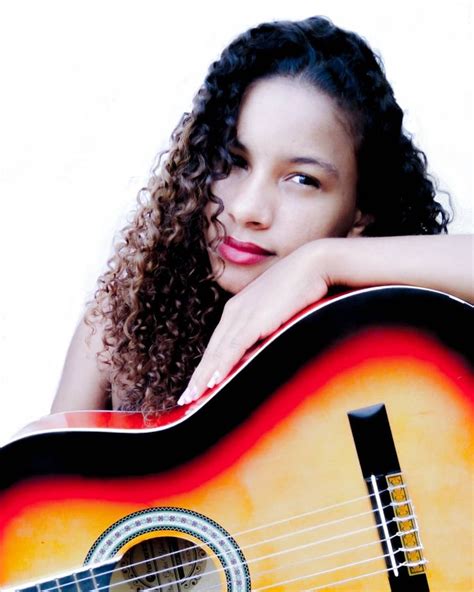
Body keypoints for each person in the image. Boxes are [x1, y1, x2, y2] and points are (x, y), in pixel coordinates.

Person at [51, 15, 473, 416]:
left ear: (361, 212)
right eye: (231, 160)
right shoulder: (122, 323)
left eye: (302, 180)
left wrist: (321, 263)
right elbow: (43, 490)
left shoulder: (394, 333)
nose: (247, 208)